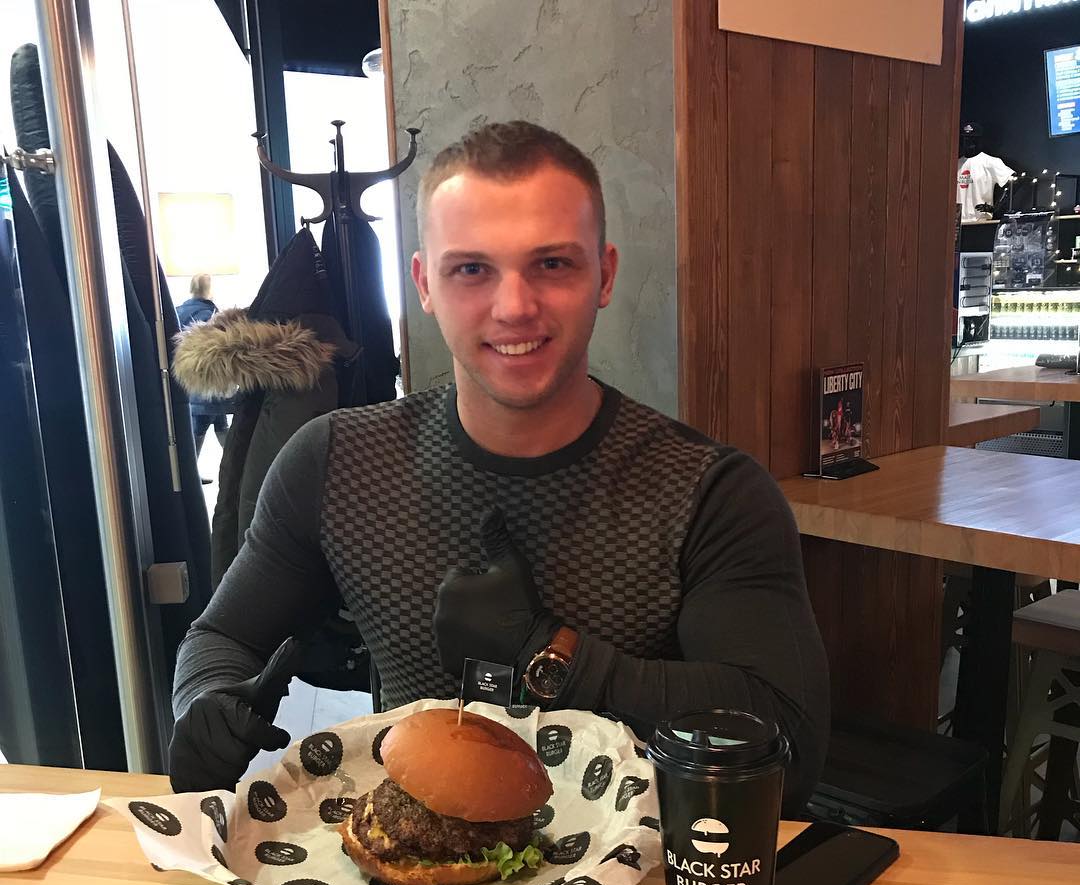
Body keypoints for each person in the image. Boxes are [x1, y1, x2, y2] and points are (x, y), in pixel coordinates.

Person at [168, 121, 830, 812]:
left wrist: (549, 653)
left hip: (644, 869)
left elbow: (791, 745)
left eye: (553, 264)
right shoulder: (337, 462)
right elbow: (223, 636)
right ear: (425, 284)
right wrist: (206, 700)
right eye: (471, 270)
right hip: (408, 865)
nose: (514, 307)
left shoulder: (708, 492)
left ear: (604, 275)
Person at [176, 273, 234, 458]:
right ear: (209, 290)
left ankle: (233, 465)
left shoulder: (178, 312)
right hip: (209, 385)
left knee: (217, 426)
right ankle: (236, 466)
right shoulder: (210, 315)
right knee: (204, 430)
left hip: (191, 384)